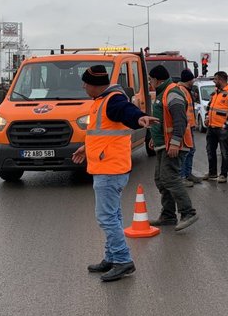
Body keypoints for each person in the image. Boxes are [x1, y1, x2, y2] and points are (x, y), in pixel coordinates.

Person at [71, 65, 159, 282]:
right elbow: (103, 133)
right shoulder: (101, 101)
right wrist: (86, 147)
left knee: (106, 217)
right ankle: (111, 257)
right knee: (114, 215)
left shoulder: (113, 100)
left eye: (85, 83)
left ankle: (122, 260)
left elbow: (127, 112)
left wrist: (140, 118)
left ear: (95, 85)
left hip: (110, 169)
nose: (83, 86)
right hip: (109, 166)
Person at [147, 65, 199, 231]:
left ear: (158, 80)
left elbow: (180, 120)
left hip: (174, 145)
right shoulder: (163, 93)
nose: (150, 83)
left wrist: (175, 142)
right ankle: (168, 215)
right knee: (161, 179)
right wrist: (155, 139)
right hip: (164, 144)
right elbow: (162, 120)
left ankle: (188, 212)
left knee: (169, 178)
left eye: (150, 80)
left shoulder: (172, 92)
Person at [204, 71, 228, 183]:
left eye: (215, 79)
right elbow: (209, 108)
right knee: (210, 151)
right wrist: (206, 118)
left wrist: (225, 126)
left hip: (223, 129)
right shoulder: (215, 93)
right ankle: (212, 173)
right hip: (211, 127)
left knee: (224, 152)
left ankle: (223, 174)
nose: (214, 81)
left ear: (221, 80)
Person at [178, 69, 203, 187]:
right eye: (192, 79)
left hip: (190, 125)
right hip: (186, 127)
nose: (193, 81)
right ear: (189, 80)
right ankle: (183, 176)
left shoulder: (186, 90)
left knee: (190, 150)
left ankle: (188, 174)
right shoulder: (182, 91)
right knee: (186, 151)